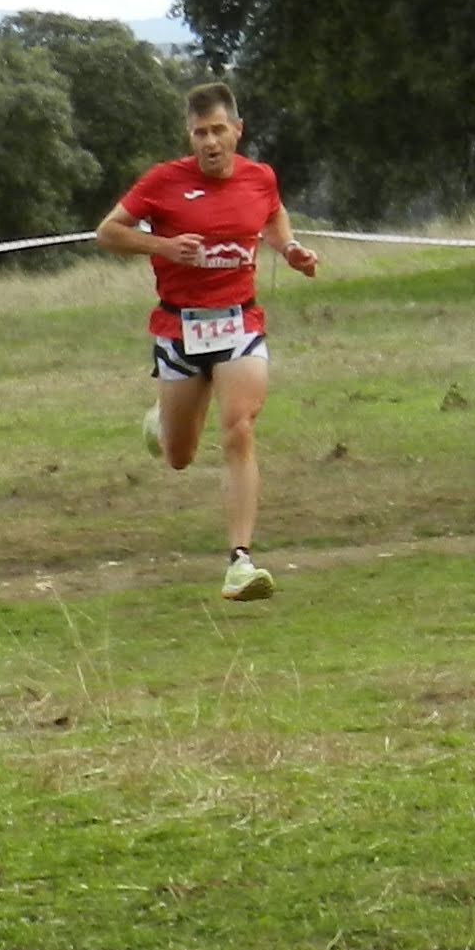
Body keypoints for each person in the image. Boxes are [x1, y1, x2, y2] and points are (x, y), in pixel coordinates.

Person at [103, 82, 319, 599]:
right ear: (189, 135)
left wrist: (288, 248)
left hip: (239, 322)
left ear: (237, 131)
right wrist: (164, 246)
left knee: (239, 427)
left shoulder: (259, 177)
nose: (210, 142)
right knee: (179, 455)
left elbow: (271, 212)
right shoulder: (162, 182)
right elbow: (107, 233)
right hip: (178, 328)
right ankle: (162, 418)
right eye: (200, 132)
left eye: (219, 130)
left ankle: (240, 562)